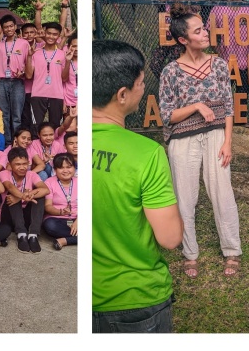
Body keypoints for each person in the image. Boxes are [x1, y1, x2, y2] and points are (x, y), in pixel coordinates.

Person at [93, 39, 182, 332]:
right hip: (135, 299)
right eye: (141, 82)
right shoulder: (146, 154)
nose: (144, 88)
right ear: (122, 94)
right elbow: (170, 238)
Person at [159, 7, 242, 279]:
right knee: (186, 198)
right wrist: (197, 105)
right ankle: (190, 252)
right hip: (183, 140)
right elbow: (167, 114)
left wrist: (228, 142)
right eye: (198, 31)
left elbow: (229, 106)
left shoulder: (218, 64)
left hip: (217, 135)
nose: (205, 33)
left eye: (203, 28)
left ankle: (231, 250)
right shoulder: (170, 71)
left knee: (223, 192)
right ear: (183, 39)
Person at [0, 15, 28, 147]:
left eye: (11, 26)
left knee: (16, 115)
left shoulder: (23, 43)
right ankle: (7, 142)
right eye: (6, 27)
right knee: (4, 114)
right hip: (2, 82)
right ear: (2, 29)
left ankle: (17, 143)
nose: (9, 29)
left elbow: (30, 62)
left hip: (17, 81)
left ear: (15, 27)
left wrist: (24, 71)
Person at [0, 146, 48, 253]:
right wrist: (22, 196)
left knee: (39, 196)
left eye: (24, 164)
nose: (22, 167)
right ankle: (21, 235)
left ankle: (33, 235)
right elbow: (10, 187)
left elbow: (45, 189)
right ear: (10, 165)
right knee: (12, 196)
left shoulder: (31, 174)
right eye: (18, 164)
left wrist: (30, 194)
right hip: (9, 217)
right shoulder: (3, 173)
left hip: (26, 217)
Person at [25, 20, 67, 129]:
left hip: (56, 95)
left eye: (55, 34)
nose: (51, 37)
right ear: (44, 33)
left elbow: (65, 78)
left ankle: (55, 147)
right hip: (38, 94)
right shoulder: (35, 53)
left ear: (59, 36)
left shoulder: (63, 55)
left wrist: (67, 62)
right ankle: (36, 146)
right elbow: (29, 76)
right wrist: (29, 57)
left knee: (56, 127)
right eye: (49, 33)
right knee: (35, 127)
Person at [43, 151, 77, 250]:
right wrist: (61, 212)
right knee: (50, 226)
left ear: (74, 168)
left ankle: (64, 240)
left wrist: (79, 221)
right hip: (57, 219)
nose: (65, 170)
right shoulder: (49, 182)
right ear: (55, 170)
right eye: (61, 168)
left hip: (77, 218)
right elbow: (48, 206)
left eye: (69, 167)